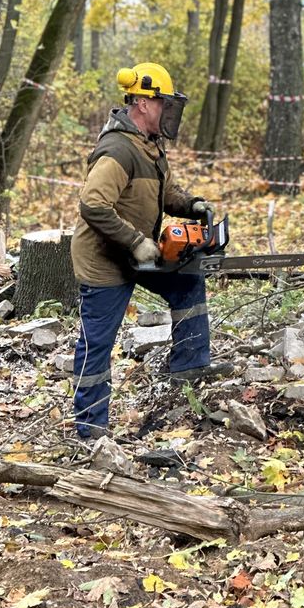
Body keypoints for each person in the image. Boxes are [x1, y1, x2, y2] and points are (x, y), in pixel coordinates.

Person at [70, 62, 233, 439]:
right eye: (163, 104)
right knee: (98, 344)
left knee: (187, 283)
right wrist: (135, 241)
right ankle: (90, 429)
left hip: (140, 252)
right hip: (105, 260)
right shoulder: (117, 150)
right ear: (143, 103)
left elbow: (166, 194)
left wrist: (191, 204)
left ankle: (189, 369)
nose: (168, 113)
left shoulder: (150, 149)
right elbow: (93, 205)